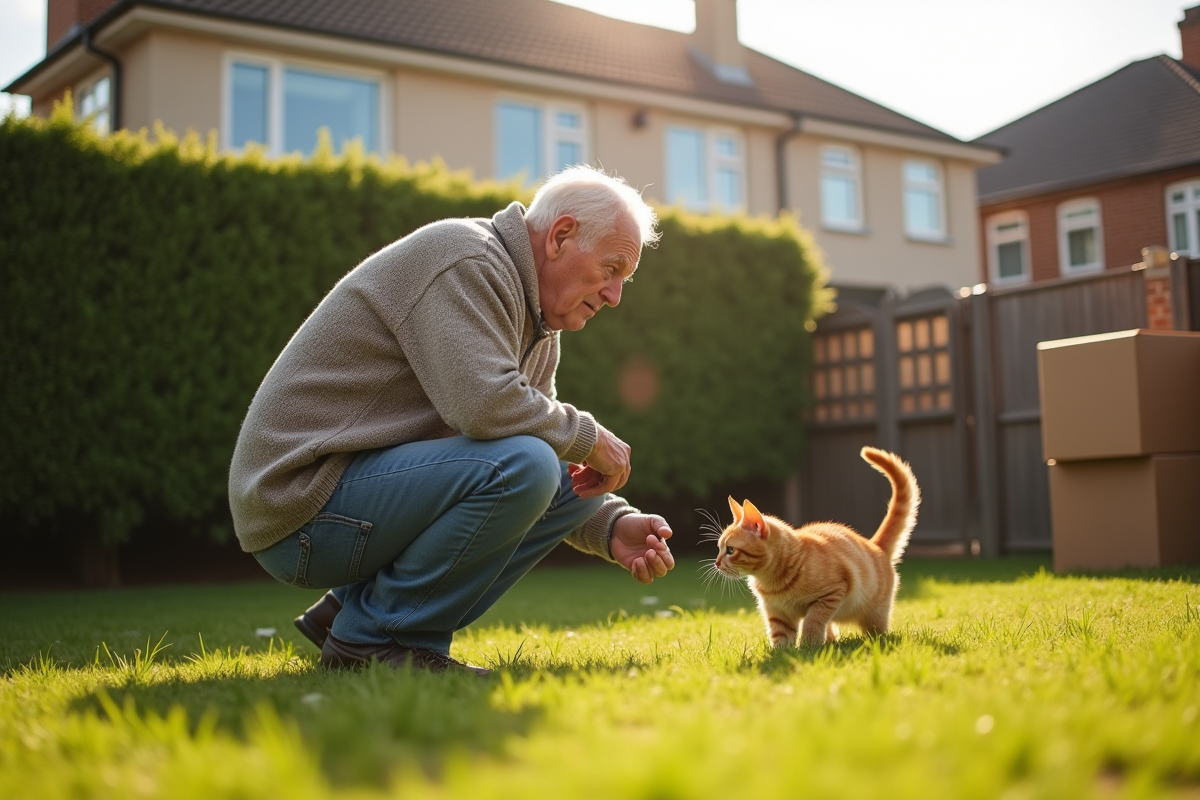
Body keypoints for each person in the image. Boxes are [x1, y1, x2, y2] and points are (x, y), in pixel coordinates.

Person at [228, 166, 675, 675]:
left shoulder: (538, 327)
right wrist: (587, 436)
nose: (616, 295)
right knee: (523, 463)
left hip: (346, 502)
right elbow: (486, 408)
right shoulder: (465, 260)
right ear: (561, 236)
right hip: (298, 504)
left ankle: (352, 613)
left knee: (534, 458)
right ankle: (375, 639)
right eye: (612, 268)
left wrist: (610, 525)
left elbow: (544, 448)